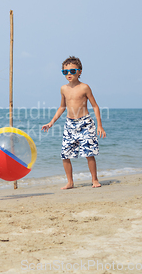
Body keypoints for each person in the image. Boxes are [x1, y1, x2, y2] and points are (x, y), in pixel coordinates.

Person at [41, 56, 105, 189]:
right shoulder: (63, 89)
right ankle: (70, 182)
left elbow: (95, 106)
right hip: (70, 124)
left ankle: (94, 179)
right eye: (65, 72)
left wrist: (99, 125)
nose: (69, 74)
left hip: (85, 123)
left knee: (89, 153)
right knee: (65, 154)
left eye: (72, 71)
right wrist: (51, 122)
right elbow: (62, 107)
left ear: (79, 71)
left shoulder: (85, 87)